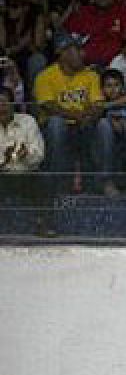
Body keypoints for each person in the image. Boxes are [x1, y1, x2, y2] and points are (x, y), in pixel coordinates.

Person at [33, 32, 105, 198]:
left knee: (104, 126)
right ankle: (58, 185)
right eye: (78, 49)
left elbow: (98, 105)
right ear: (62, 52)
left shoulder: (91, 75)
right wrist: (78, 116)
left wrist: (88, 117)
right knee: (56, 123)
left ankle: (102, 182)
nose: (83, 54)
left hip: (84, 125)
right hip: (55, 129)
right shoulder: (45, 76)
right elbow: (49, 106)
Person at [0, 85, 52, 236]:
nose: (1, 108)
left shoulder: (28, 121)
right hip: (2, 175)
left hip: (26, 174)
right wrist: (5, 158)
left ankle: (44, 224)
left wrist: (26, 154)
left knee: (44, 180)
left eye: (4, 103)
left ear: (12, 105)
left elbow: (39, 154)